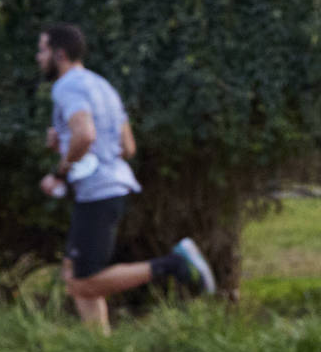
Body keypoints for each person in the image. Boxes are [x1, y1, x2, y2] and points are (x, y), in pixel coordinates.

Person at [36, 23, 215, 333]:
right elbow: (127, 147)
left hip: (98, 191)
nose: (38, 58)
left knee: (84, 283)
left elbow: (85, 135)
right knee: (72, 275)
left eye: (42, 50)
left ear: (59, 54)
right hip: (113, 185)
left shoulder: (66, 86)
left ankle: (174, 264)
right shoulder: (103, 86)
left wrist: (58, 174)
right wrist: (63, 142)